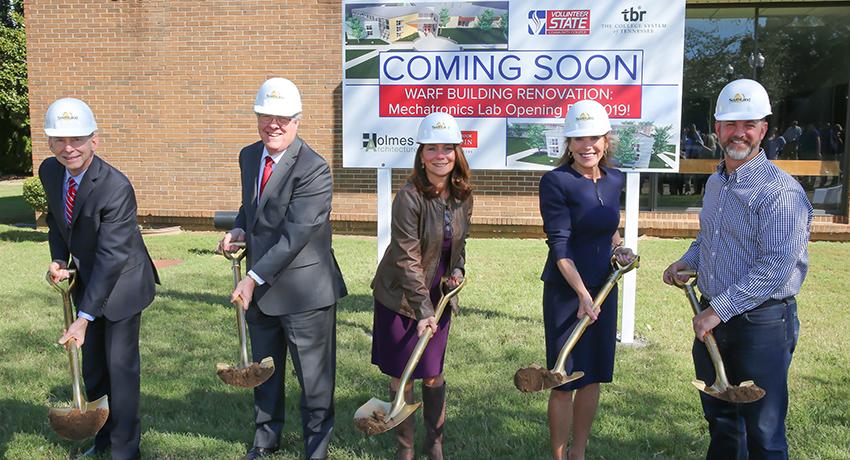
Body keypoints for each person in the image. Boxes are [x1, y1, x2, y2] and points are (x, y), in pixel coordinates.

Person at [663, 79, 812, 460]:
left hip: (761, 324)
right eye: (730, 124)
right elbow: (710, 238)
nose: (739, 133)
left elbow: (776, 267)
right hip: (716, 320)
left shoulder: (781, 192)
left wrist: (717, 311)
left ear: (763, 130)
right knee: (723, 426)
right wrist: (688, 261)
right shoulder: (717, 183)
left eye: (749, 125)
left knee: (764, 433)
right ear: (717, 129)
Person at [219, 78, 348, 460]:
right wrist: (240, 226)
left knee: (314, 381)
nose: (273, 125)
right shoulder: (248, 156)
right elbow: (254, 208)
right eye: (266, 116)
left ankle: (316, 450)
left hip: (305, 293)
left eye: (282, 118)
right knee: (263, 373)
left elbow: (295, 235)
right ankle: (265, 440)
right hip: (261, 291)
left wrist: (252, 278)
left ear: (297, 120)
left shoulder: (314, 169)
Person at [40, 97, 159, 460]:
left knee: (119, 370)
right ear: (50, 143)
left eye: (77, 139)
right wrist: (59, 258)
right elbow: (60, 223)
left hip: (123, 285)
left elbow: (111, 257)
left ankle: (125, 450)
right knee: (93, 369)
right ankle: (103, 439)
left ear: (95, 140)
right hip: (88, 280)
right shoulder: (50, 171)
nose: (68, 148)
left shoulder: (115, 188)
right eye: (59, 140)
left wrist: (83, 317)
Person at [370, 112, 473, 460]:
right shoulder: (409, 197)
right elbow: (406, 257)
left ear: (457, 152)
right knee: (403, 376)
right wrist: (422, 309)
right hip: (400, 298)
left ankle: (435, 444)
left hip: (438, 298)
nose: (440, 155)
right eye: (432, 148)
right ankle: (406, 449)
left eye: (447, 148)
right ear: (421, 153)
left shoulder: (462, 195)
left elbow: (459, 245)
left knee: (433, 374)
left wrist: (457, 270)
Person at [538, 100, 636, 460]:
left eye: (593, 137)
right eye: (578, 138)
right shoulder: (556, 182)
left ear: (606, 140)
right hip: (567, 292)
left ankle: (579, 452)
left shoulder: (614, 180)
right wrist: (581, 294)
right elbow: (560, 245)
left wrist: (619, 249)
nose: (586, 145)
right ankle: (559, 456)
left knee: (593, 375)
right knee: (565, 377)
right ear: (568, 143)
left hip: (604, 287)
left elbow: (607, 230)